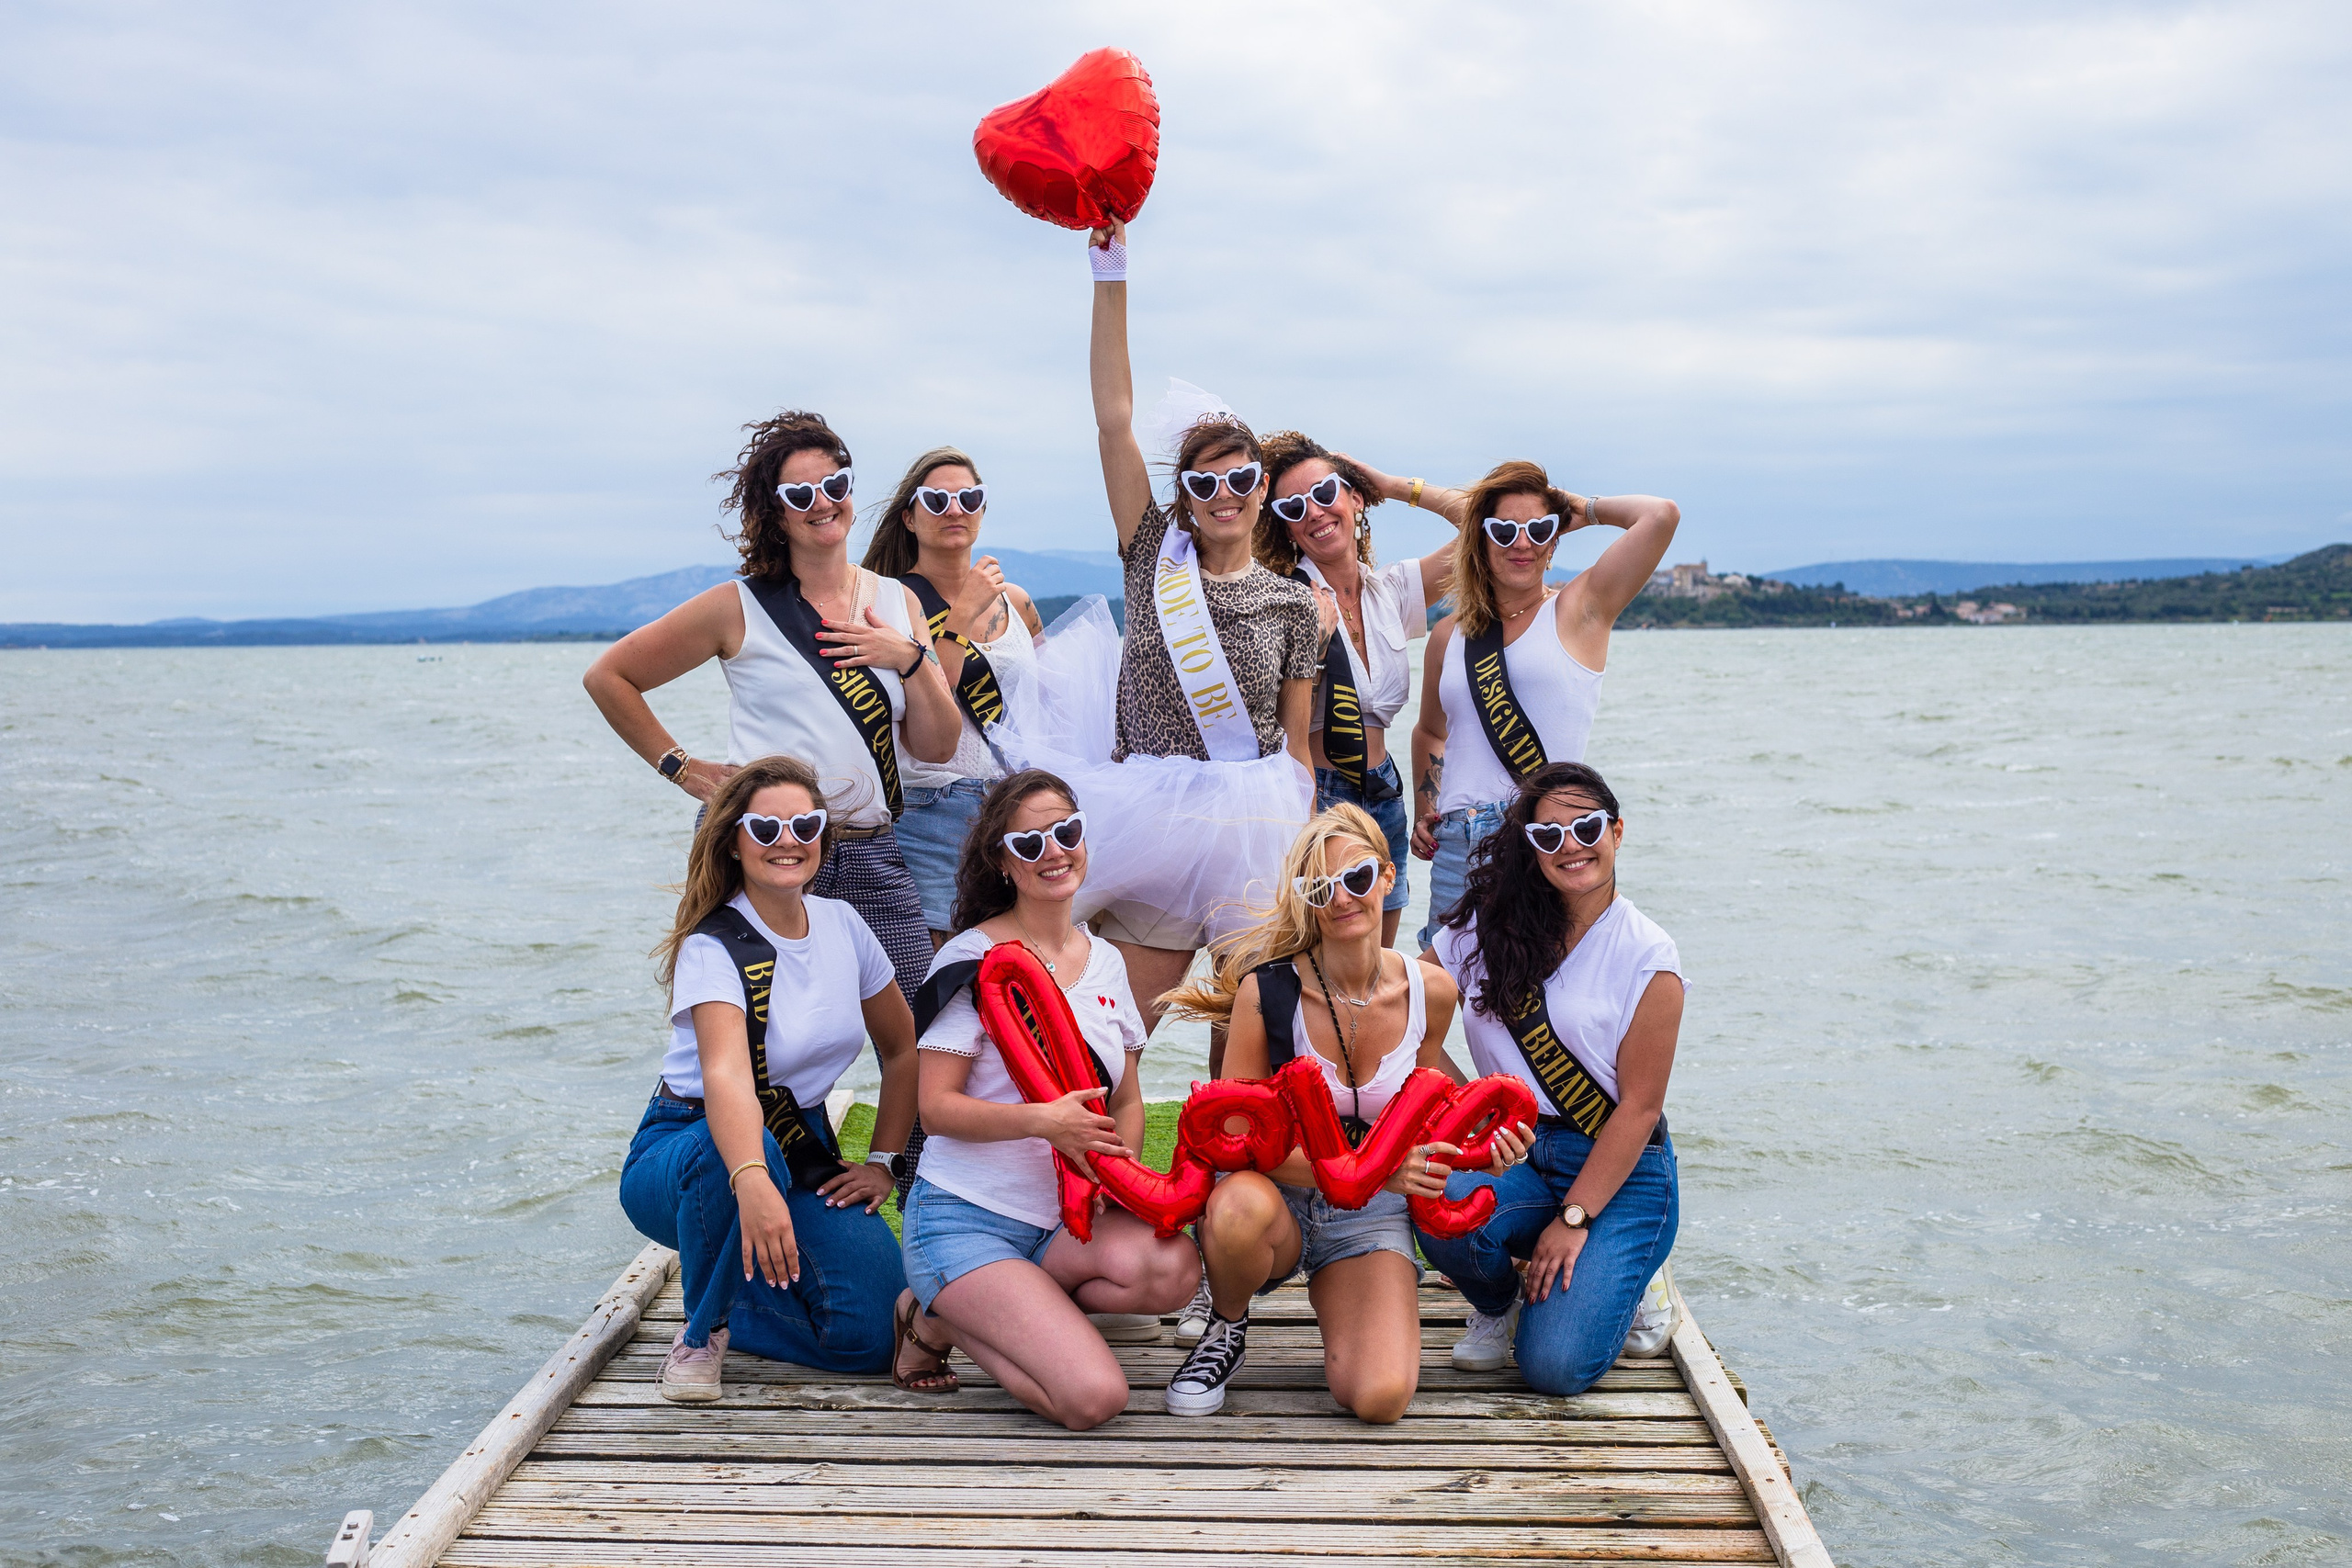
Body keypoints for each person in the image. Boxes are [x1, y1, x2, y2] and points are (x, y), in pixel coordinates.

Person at [585, 411, 964, 1198]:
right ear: (775, 508)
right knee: (741, 1026)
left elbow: (933, 744)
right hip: (762, 843)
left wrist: (914, 659)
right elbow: (610, 677)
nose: (823, 502)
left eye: (836, 484)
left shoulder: (898, 601)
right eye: (801, 493)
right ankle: (727, 1186)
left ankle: (913, 1184)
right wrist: (681, 766)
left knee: (926, 1021)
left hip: (864, 845)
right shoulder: (739, 606)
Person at [1037, 218, 1319, 1042]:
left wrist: (1301, 847)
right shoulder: (1152, 552)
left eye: (1240, 476)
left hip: (1254, 828)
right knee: (1115, 1030)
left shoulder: (1295, 603)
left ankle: (1243, 1171)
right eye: (1205, 479)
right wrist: (1110, 271)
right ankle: (1087, 1160)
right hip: (1150, 817)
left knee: (1258, 1033)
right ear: (1186, 491)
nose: (1224, 492)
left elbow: (1297, 748)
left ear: (1261, 484)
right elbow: (1112, 419)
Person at [1156, 807, 1525, 1420]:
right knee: (1236, 1208)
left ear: (1385, 876)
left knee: (1380, 1397)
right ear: (1307, 901)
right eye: (1321, 889)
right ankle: (1225, 1323)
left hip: (1368, 1214)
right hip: (1275, 1197)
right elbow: (1236, 1140)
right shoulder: (1265, 992)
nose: (1343, 899)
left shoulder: (1430, 992)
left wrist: (1494, 1138)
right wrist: (1375, 1168)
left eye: (1356, 879)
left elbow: (1432, 1100)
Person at [616, 756, 941, 1403]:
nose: (787, 839)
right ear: (735, 840)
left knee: (872, 1334)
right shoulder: (713, 946)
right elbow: (728, 1079)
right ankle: (701, 1333)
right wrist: (753, 1179)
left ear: (823, 834)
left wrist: (882, 1161)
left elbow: (903, 1049)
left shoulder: (845, 925)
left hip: (799, 1142)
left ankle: (733, 1284)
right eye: (766, 827)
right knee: (748, 1149)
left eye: (804, 823)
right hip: (690, 1148)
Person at [898, 770, 1203, 1430]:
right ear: (1003, 861)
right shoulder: (968, 959)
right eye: (1029, 843)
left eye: (1066, 832)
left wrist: (1112, 1165)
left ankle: (1022, 1304)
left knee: (1173, 1267)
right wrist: (1046, 1122)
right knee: (1093, 1398)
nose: (1054, 852)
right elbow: (936, 1110)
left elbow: (1126, 1097)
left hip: (1066, 1221)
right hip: (966, 1217)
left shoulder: (1107, 961)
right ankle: (936, 1311)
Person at [1417, 761, 1684, 1396]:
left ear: (1617, 831)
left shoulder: (1650, 956)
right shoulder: (1483, 925)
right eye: (1548, 836)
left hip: (1620, 1169)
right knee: (1438, 1201)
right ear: (1530, 848)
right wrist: (1474, 1110)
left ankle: (1639, 1270)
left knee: (1552, 1367)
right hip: (1514, 1145)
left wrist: (1574, 1216)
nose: (1570, 846)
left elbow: (1640, 1109)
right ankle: (1496, 1300)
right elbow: (1407, 1021)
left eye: (1586, 826)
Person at [1408, 462, 1679, 956]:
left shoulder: (1580, 610)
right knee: (1438, 994)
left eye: (1538, 529)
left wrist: (1577, 508)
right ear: (1481, 540)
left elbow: (1660, 516)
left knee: (1543, 986)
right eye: (1504, 529)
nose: (1522, 542)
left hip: (1545, 838)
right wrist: (1428, 805)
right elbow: (1430, 731)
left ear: (1554, 541)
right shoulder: (1447, 636)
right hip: (1456, 845)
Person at [1255, 432, 1470, 947]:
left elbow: (1481, 524)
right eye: (1293, 506)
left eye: (1326, 493)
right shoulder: (1282, 599)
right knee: (1312, 967)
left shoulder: (1390, 590)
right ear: (1284, 526)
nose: (1314, 512)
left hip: (1385, 794)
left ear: (1354, 498)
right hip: (1318, 796)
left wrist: (1392, 485)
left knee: (1372, 974)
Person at [859, 446, 1046, 946]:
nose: (955, 509)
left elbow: (1047, 704)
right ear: (910, 518)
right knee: (941, 978)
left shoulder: (1018, 602)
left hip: (1015, 809)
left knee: (1017, 973)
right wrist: (960, 616)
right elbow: (930, 698)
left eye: (969, 497)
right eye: (936, 500)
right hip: (933, 805)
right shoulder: (888, 603)